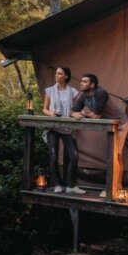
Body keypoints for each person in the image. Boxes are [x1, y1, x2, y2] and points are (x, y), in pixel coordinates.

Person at [73, 73, 128, 199]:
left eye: (85, 81)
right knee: (117, 156)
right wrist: (75, 114)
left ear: (92, 85)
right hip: (110, 125)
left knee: (115, 156)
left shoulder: (100, 93)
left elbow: (96, 116)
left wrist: (84, 114)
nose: (81, 83)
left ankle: (112, 188)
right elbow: (73, 110)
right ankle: (117, 185)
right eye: (81, 81)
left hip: (120, 124)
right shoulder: (83, 95)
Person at [42, 66, 82, 194]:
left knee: (74, 156)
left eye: (60, 74)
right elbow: (44, 109)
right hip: (53, 126)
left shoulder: (73, 92)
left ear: (66, 76)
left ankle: (71, 185)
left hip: (66, 127)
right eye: (56, 73)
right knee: (53, 156)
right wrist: (50, 114)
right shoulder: (49, 90)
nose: (57, 75)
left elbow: (76, 108)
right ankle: (57, 184)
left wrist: (76, 113)